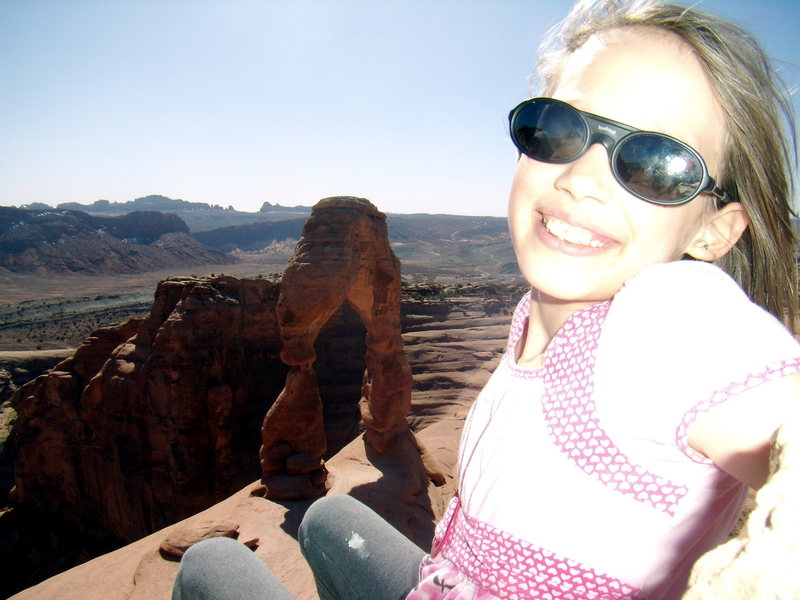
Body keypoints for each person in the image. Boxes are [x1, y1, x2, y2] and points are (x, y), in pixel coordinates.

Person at [172, 0, 800, 598]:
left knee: (210, 565)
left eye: (659, 162)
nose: (582, 178)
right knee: (326, 520)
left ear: (716, 230)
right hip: (449, 581)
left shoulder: (662, 324)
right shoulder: (537, 319)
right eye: (560, 129)